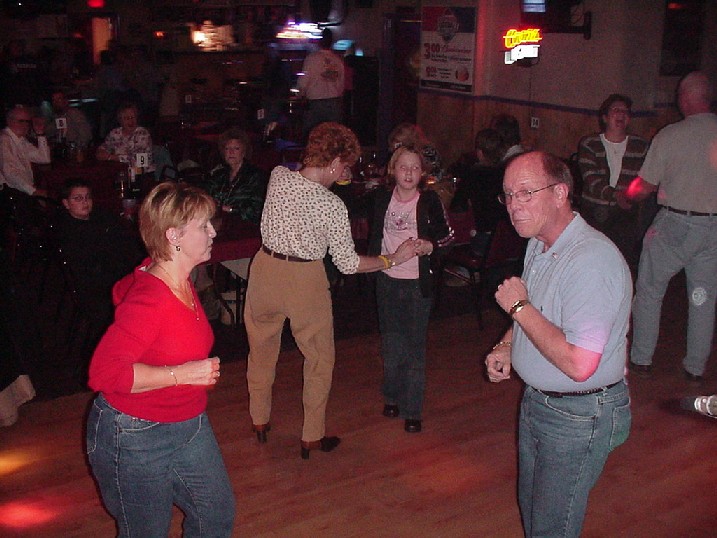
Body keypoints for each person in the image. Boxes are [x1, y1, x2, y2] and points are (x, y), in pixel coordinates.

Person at [244, 123, 418, 459]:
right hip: (304, 279)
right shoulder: (332, 205)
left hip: (264, 269)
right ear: (336, 162)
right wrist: (391, 259)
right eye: (345, 165)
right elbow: (348, 264)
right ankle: (311, 436)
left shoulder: (278, 176)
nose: (345, 173)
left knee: (261, 351)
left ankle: (259, 420)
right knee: (319, 359)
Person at [485, 151, 632, 537]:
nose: (514, 205)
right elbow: (538, 312)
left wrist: (518, 306)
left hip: (579, 413)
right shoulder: (540, 242)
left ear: (560, 193)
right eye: (508, 195)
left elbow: (580, 364)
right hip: (540, 401)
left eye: (525, 193)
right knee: (535, 513)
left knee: (552, 527)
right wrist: (507, 344)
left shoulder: (591, 261)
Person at [86, 182, 235, 536]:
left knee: (216, 514)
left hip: (189, 422)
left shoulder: (175, 274)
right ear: (174, 235)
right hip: (136, 433)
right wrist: (182, 374)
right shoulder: (152, 298)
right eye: (203, 226)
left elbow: (122, 287)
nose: (213, 232)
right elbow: (103, 373)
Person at [626, 71, 717, 382]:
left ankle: (642, 358)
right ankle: (695, 366)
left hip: (676, 223)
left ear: (686, 98)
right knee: (703, 298)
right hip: (713, 228)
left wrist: (626, 195)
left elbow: (645, 186)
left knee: (650, 290)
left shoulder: (670, 135)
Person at [368, 146, 453, 433]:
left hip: (417, 284)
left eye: (415, 168)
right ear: (392, 170)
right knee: (391, 343)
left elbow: (448, 236)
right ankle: (392, 396)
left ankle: (413, 409)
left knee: (415, 346)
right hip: (387, 280)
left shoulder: (429, 201)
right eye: (403, 167)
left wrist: (431, 246)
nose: (409, 173)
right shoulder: (381, 198)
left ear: (423, 173)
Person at [55, 178, 144, 383]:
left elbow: (121, 242)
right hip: (95, 289)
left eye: (87, 197)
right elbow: (97, 266)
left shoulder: (99, 218)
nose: (85, 202)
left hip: (106, 277)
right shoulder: (70, 231)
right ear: (66, 203)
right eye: (78, 198)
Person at [578, 93, 651, 265]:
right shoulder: (589, 143)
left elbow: (646, 176)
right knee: (592, 259)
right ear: (604, 117)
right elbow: (591, 179)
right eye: (616, 110)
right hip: (595, 211)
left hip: (625, 215)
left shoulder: (640, 146)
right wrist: (616, 195)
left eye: (625, 112)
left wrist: (633, 195)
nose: (621, 114)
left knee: (621, 260)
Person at [203, 128, 268, 224]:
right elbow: (206, 196)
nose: (231, 152)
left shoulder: (256, 176)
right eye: (227, 148)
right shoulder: (218, 175)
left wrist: (231, 210)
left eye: (236, 148)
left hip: (245, 225)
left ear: (244, 152)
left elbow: (258, 209)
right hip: (218, 222)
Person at [297, 28, 345, 139]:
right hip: (334, 102)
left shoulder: (312, 59)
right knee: (334, 137)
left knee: (313, 136)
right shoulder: (338, 60)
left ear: (320, 41)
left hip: (315, 103)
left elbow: (304, 81)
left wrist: (300, 94)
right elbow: (341, 83)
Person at [0, 105, 50, 197]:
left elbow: (44, 158)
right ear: (9, 121)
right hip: (10, 193)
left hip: (22, 190)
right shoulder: (4, 140)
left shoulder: (21, 140)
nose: (25, 125)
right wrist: (33, 191)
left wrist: (40, 133)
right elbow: (9, 172)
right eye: (21, 121)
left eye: (27, 122)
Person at [95, 101, 154, 175]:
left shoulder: (143, 134)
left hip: (142, 173)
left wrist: (111, 157)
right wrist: (101, 152)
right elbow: (104, 147)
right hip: (120, 172)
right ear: (120, 120)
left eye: (133, 117)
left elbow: (139, 160)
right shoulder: (115, 133)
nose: (131, 121)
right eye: (126, 118)